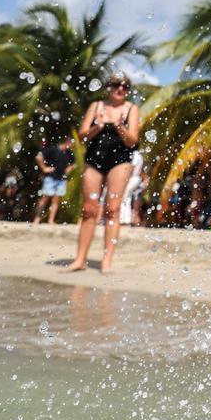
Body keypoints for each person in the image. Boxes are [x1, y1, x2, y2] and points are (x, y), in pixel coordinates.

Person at [63, 72, 139, 274]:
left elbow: (132, 141)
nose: (120, 89)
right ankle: (80, 259)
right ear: (109, 87)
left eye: (125, 86)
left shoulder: (131, 109)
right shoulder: (96, 106)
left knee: (112, 209)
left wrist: (120, 127)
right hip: (94, 158)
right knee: (89, 210)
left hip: (120, 160)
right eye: (116, 85)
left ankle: (106, 260)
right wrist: (97, 126)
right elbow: (81, 136)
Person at [33, 136, 75, 225]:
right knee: (44, 199)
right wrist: (44, 168)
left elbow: (74, 164)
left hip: (61, 179)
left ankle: (51, 220)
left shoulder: (69, 153)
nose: (73, 145)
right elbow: (39, 156)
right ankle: (36, 219)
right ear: (67, 142)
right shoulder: (53, 149)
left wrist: (69, 168)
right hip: (50, 177)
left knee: (56, 200)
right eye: (72, 143)